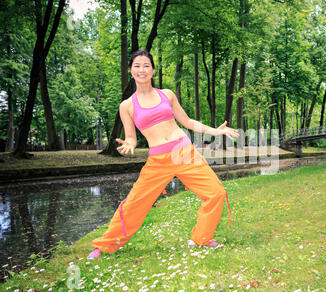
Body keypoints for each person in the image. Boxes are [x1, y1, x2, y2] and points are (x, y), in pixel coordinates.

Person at [88, 49, 239, 259]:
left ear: (152, 70)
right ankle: (104, 246)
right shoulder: (127, 106)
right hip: (158, 160)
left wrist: (216, 130)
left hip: (184, 151)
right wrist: (129, 144)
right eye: (137, 66)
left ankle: (201, 239)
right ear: (130, 70)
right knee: (134, 204)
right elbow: (131, 136)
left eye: (146, 65)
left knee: (216, 193)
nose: (142, 70)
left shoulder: (167, 95)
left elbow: (187, 122)